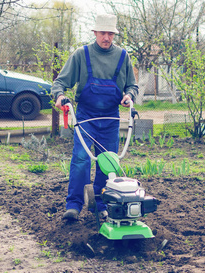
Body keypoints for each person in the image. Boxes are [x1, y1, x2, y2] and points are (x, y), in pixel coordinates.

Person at [52, 14, 138, 221]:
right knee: (81, 159)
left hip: (111, 118)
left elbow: (132, 86)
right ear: (95, 33)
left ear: (114, 35)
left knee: (108, 162)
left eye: (110, 33)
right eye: (103, 33)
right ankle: (74, 205)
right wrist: (60, 96)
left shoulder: (122, 56)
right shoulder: (82, 55)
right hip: (86, 116)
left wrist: (129, 96)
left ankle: (100, 204)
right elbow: (60, 82)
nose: (106, 37)